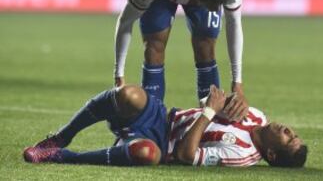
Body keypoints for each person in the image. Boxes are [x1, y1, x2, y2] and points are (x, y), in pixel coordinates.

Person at [114, 0, 247, 121]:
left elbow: (234, 24)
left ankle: (209, 119)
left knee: (206, 45)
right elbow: (125, 21)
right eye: (210, 5)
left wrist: (237, 82)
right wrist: (119, 74)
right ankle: (152, 120)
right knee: (154, 46)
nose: (215, 9)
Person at [23, 85, 307, 167]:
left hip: (161, 145)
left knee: (148, 155)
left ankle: (63, 157)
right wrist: (215, 101)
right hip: (162, 117)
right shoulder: (256, 115)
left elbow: (186, 155)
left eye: (288, 139)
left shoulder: (242, 156)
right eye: (293, 132)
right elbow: (207, 107)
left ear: (271, 155)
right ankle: (61, 138)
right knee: (128, 94)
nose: (288, 130)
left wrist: (209, 111)